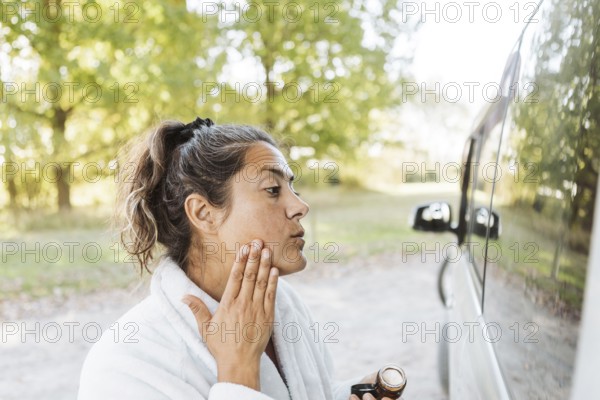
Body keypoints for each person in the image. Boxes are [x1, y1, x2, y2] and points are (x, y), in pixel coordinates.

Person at [77, 117, 393, 400]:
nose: (300, 206)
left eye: (292, 187)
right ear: (203, 213)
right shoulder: (127, 362)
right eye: (272, 189)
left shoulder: (284, 305)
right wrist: (238, 376)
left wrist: (348, 394)